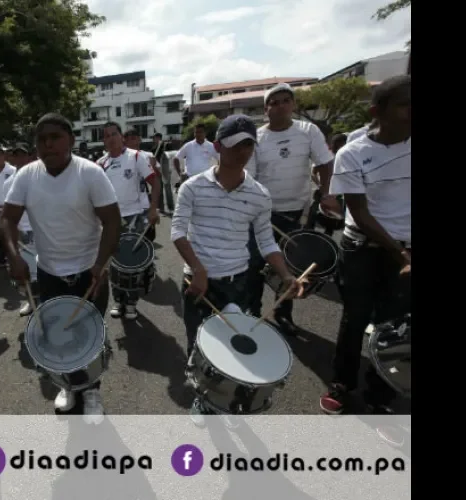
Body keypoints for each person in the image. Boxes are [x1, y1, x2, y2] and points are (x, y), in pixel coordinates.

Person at [171, 114, 304, 425]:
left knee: (233, 348)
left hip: (237, 281)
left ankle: (225, 399)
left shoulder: (259, 194)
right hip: (198, 281)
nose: (243, 151)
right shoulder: (192, 187)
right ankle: (203, 400)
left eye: (249, 145)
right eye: (235, 145)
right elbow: (177, 231)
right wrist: (198, 269)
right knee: (198, 344)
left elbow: (266, 241)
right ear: (218, 146)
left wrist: (285, 275)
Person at [1, 113, 122, 422]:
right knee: (57, 335)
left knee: (90, 335)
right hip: (50, 271)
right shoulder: (26, 176)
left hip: (88, 269)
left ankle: (92, 390)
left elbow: (112, 222)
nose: (48, 144)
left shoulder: (90, 173)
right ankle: (68, 385)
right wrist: (14, 257)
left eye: (55, 137)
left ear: (70, 139)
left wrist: (100, 263)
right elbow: (8, 219)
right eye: (41, 139)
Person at [320, 75, 411, 417]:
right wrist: (399, 253)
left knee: (395, 323)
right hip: (363, 248)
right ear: (377, 111)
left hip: (405, 251)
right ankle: (342, 384)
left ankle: (381, 391)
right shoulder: (352, 153)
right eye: (405, 105)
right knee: (355, 318)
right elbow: (359, 212)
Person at [244, 83, 336, 336]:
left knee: (291, 267)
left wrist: (327, 193)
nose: (281, 105)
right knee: (254, 264)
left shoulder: (309, 131)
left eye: (286, 100)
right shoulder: (257, 138)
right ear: (266, 109)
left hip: (298, 213)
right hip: (264, 216)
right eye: (275, 102)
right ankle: (252, 311)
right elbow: (249, 177)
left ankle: (283, 314)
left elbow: (325, 163)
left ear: (293, 105)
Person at [97, 124, 160, 321]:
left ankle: (131, 303)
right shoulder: (100, 164)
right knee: (114, 263)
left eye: (114, 134)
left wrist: (153, 208)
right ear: (104, 141)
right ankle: (118, 300)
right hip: (111, 221)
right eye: (107, 136)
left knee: (132, 264)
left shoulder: (136, 157)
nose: (111, 138)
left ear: (121, 137)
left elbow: (155, 182)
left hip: (135, 217)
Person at [2, 143, 38, 317]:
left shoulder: (39, 176)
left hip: (39, 232)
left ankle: (44, 303)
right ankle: (30, 302)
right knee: (24, 273)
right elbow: (6, 215)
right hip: (20, 235)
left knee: (41, 272)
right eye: (16, 155)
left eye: (23, 155)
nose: (19, 159)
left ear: (29, 156)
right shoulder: (8, 183)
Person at [152, 133, 174, 213]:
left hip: (165, 168)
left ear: (159, 138)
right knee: (159, 189)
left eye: (155, 138)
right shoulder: (153, 148)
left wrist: (164, 145)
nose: (154, 140)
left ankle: (171, 207)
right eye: (153, 138)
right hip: (157, 169)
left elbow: (169, 154)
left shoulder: (165, 145)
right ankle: (161, 208)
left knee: (167, 188)